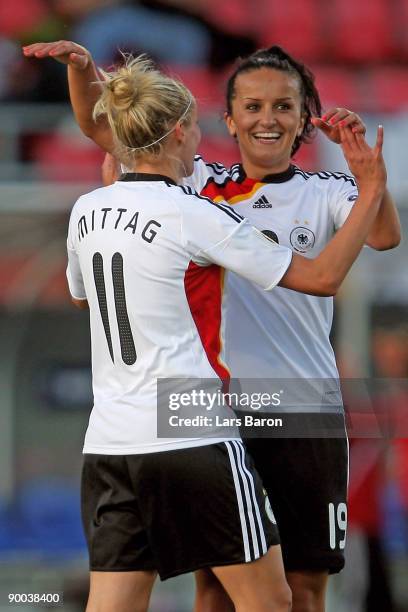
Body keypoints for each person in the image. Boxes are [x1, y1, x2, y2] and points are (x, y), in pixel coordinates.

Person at [22, 41, 394, 612]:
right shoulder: (198, 187)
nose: (267, 118)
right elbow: (111, 132)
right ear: (228, 119)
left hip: (299, 405)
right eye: (251, 106)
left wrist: (368, 179)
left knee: (305, 582)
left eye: (283, 106)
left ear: (303, 118)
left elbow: (385, 235)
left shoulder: (327, 191)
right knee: (220, 585)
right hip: (213, 410)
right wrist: (84, 75)